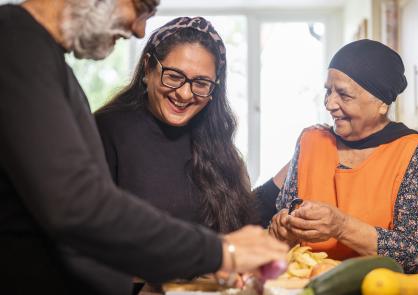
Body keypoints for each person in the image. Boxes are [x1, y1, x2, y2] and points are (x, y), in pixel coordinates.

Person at [0, 1, 287, 294]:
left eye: (201, 83)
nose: (139, 30)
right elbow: (78, 204)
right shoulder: (13, 41)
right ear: (149, 69)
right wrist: (220, 253)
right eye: (140, 6)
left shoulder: (43, 56)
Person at [268, 39, 418, 273]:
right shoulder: (310, 141)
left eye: (343, 94)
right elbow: (281, 230)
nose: (330, 103)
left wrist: (341, 226)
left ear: (381, 103)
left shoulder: (414, 153)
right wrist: (281, 230)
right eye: (328, 91)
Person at [95, 17, 256, 234]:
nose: (184, 93)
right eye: (173, 76)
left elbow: (244, 220)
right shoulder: (106, 129)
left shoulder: (215, 140)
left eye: (201, 83)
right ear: (148, 68)